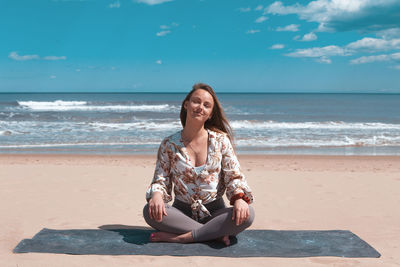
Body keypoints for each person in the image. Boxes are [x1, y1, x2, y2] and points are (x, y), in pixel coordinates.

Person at [143, 83, 254, 246]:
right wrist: (157, 197)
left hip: (216, 213)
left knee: (248, 214)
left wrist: (239, 199)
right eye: (196, 101)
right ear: (186, 104)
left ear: (210, 114)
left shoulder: (221, 141)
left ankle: (184, 237)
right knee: (149, 211)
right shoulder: (169, 144)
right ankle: (213, 234)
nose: (200, 107)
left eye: (206, 105)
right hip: (181, 214)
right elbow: (161, 180)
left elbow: (233, 176)